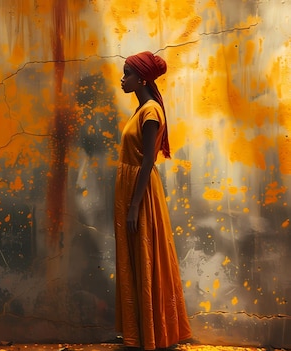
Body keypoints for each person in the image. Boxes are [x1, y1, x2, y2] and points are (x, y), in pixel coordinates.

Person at [114, 51, 192, 350]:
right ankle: (141, 332)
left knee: (146, 256)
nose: (123, 79)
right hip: (131, 190)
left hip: (141, 193)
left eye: (127, 73)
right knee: (134, 257)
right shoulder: (141, 110)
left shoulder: (150, 112)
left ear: (142, 78)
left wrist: (134, 205)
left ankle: (152, 335)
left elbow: (148, 161)